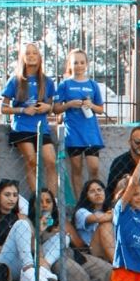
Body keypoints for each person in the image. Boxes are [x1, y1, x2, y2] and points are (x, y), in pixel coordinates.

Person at [0, 42, 58, 198]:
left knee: (51, 162)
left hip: (42, 128)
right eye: (28, 53)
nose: (31, 56)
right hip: (22, 127)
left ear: (40, 57)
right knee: (32, 161)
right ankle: (37, 202)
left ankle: (52, 201)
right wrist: (22, 110)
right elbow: (3, 108)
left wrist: (47, 108)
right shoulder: (15, 80)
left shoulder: (48, 81)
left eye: (35, 53)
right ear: (22, 58)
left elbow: (54, 106)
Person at [0, 179, 55, 281]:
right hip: (2, 264)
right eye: (7, 195)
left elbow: (32, 246)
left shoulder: (22, 216)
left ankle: (42, 269)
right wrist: (16, 244)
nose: (11, 199)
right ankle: (28, 269)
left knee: (64, 238)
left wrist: (39, 232)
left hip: (20, 261)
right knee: (21, 224)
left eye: (15, 195)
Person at [53, 48, 105, 200]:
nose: (79, 66)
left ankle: (95, 200)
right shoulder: (64, 85)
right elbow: (55, 109)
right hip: (73, 132)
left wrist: (91, 105)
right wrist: (69, 105)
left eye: (82, 62)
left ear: (87, 64)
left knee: (94, 168)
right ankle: (79, 203)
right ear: (70, 64)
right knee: (76, 169)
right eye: (75, 62)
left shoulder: (93, 85)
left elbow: (100, 109)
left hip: (91, 133)